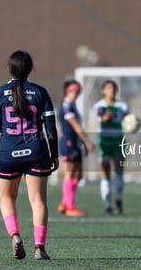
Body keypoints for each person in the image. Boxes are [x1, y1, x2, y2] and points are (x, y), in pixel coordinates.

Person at [0, 50, 59, 260]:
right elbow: (51, 128)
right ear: (30, 69)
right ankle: (40, 247)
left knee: (7, 198)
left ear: (10, 69)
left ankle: (15, 235)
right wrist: (54, 154)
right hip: (37, 151)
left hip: (9, 153)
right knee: (38, 201)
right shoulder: (40, 92)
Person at [57, 80, 95, 217]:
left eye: (78, 91)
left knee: (78, 175)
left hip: (75, 142)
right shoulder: (66, 105)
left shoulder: (72, 105)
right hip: (68, 142)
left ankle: (65, 203)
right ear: (67, 90)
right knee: (70, 173)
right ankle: (70, 207)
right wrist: (88, 142)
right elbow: (76, 127)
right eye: (73, 90)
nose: (76, 93)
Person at [93, 80, 129, 215]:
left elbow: (128, 119)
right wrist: (107, 115)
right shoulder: (99, 105)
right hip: (104, 142)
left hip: (118, 141)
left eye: (113, 88)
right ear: (103, 91)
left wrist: (132, 122)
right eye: (108, 88)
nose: (111, 90)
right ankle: (108, 205)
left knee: (119, 172)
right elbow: (103, 118)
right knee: (105, 173)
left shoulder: (123, 106)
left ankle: (119, 199)